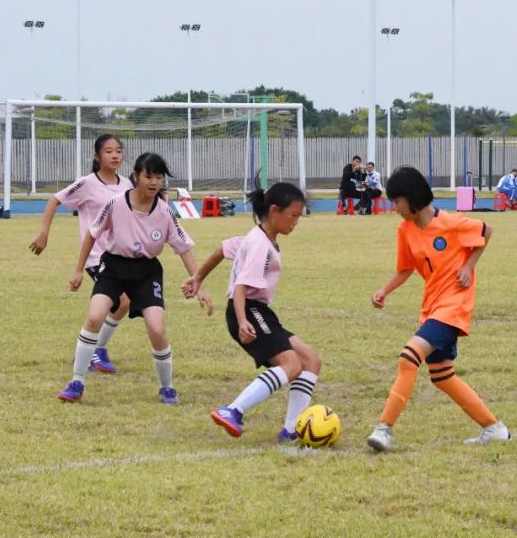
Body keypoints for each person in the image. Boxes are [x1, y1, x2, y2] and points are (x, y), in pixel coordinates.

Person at [366, 166, 508, 451]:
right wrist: (384, 290)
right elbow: (405, 269)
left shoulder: (450, 222)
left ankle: (384, 429)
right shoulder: (405, 229)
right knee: (442, 375)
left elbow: (486, 230)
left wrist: (468, 266)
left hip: (454, 305)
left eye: (396, 201)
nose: (394, 207)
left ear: (412, 197)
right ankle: (494, 428)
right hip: (432, 307)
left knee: (408, 358)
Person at [57, 153, 212, 404]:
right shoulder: (116, 203)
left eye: (159, 177)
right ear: (136, 177)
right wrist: (78, 270)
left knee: (157, 328)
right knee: (95, 315)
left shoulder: (164, 211)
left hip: (146, 272)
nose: (154, 182)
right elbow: (92, 234)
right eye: (148, 176)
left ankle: (167, 387)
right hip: (114, 268)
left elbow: (183, 247)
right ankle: (77, 381)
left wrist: (199, 283)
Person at [181, 183, 320, 442]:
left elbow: (222, 249)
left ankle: (291, 431)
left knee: (311, 360)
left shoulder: (256, 236)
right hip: (248, 310)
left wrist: (198, 276)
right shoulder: (261, 247)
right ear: (275, 211)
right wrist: (243, 320)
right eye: (294, 215)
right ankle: (233, 410)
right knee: (291, 365)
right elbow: (241, 287)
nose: (296, 222)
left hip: (258, 312)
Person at [31, 135, 133, 374]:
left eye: (118, 150)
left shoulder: (127, 184)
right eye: (108, 151)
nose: (115, 155)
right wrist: (44, 233)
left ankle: (91, 349)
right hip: (96, 255)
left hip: (121, 255)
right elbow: (54, 200)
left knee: (120, 303)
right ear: (98, 156)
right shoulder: (87, 183)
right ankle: (97, 350)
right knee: (123, 300)